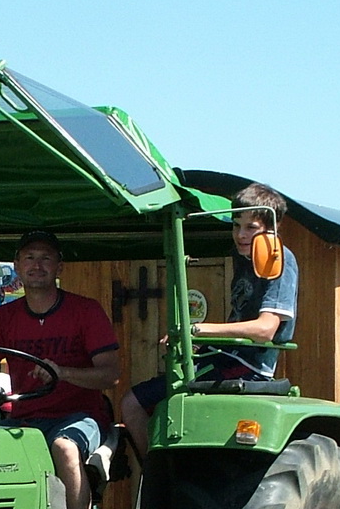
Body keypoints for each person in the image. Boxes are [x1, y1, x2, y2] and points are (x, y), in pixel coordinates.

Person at [0, 230, 120, 509]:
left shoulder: (85, 311)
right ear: (17, 266)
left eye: (46, 258)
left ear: (59, 267)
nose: (37, 265)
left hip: (80, 415)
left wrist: (62, 373)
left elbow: (110, 375)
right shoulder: (4, 317)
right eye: (30, 258)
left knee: (64, 447)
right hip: (24, 419)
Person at [120, 181, 299, 440]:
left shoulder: (278, 261)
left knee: (135, 403)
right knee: (134, 402)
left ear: (273, 228)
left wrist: (196, 329)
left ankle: (161, 465)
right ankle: (158, 463)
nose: (241, 235)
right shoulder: (244, 259)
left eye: (251, 228)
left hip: (248, 366)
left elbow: (265, 329)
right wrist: (202, 344)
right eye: (236, 226)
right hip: (224, 356)